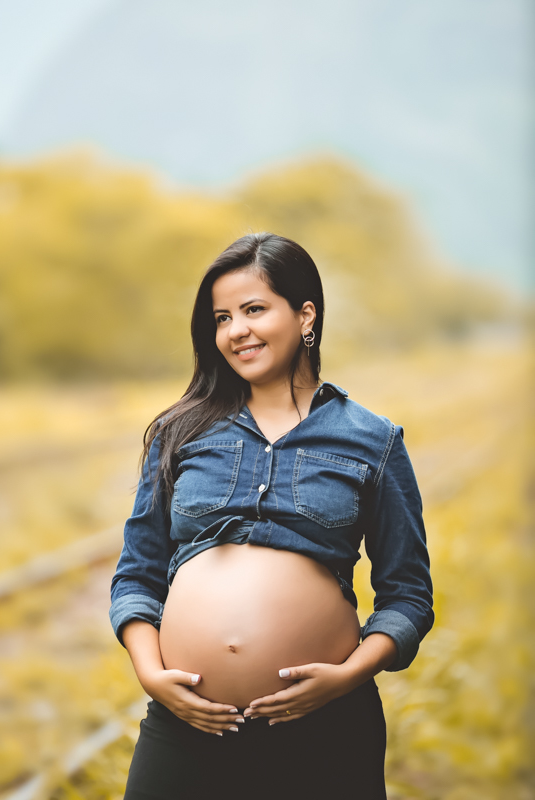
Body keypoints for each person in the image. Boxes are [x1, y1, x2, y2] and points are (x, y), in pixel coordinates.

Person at [109, 232, 434, 799]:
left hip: (325, 729)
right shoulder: (180, 433)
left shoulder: (371, 440)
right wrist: (151, 675)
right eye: (222, 317)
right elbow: (137, 574)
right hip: (186, 727)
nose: (236, 330)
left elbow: (407, 594)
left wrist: (348, 677)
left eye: (254, 309)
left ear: (305, 314)